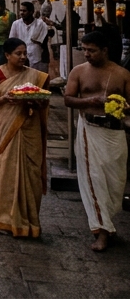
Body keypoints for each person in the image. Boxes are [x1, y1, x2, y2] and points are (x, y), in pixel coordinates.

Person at [64, 31, 130, 251]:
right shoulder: (79, 72)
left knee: (115, 183)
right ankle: (101, 232)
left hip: (114, 133)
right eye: (84, 50)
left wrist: (123, 109)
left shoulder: (122, 74)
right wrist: (91, 100)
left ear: (104, 50)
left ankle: (107, 224)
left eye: (91, 50)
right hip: (89, 129)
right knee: (94, 179)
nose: (86, 54)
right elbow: (68, 99)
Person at [0, 38, 49, 238]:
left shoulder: (36, 76)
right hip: (6, 127)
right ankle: (6, 221)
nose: (23, 57)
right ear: (7, 55)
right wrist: (5, 99)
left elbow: (44, 102)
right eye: (18, 54)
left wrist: (34, 102)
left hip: (30, 128)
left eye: (24, 53)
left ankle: (30, 222)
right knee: (7, 172)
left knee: (32, 174)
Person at [9, 2, 49, 73]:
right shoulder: (16, 24)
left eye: (24, 11)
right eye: (20, 10)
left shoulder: (40, 24)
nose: (21, 13)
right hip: (21, 59)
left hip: (37, 58)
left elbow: (42, 42)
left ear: (31, 12)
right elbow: (12, 42)